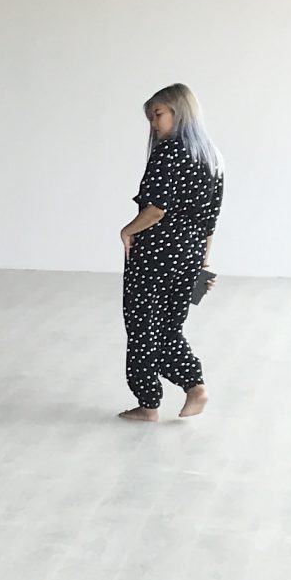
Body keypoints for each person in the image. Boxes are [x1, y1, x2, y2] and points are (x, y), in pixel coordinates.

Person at [116, 84, 224, 422]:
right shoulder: (212, 158)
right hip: (189, 256)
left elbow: (156, 209)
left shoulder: (168, 152)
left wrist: (127, 231)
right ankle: (195, 386)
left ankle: (148, 404)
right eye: (150, 117)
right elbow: (209, 222)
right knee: (169, 329)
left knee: (142, 329)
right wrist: (203, 263)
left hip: (154, 255)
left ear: (180, 112)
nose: (153, 123)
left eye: (158, 114)